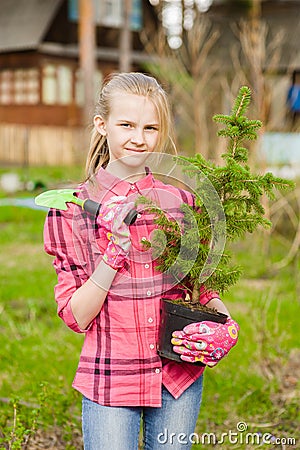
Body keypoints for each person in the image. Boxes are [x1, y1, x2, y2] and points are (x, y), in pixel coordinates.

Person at [44, 72, 239, 450]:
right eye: (127, 124)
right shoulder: (71, 211)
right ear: (102, 126)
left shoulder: (183, 205)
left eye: (151, 127)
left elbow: (200, 286)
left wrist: (223, 322)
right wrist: (113, 253)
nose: (139, 138)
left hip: (178, 375)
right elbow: (76, 315)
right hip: (110, 378)